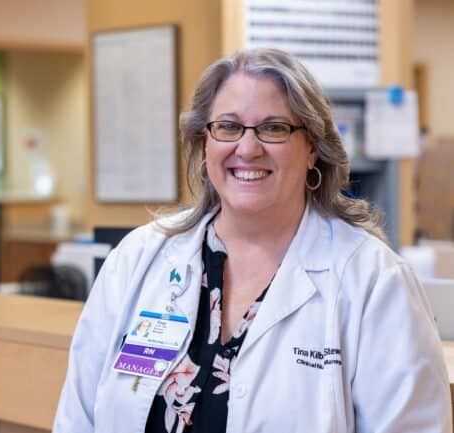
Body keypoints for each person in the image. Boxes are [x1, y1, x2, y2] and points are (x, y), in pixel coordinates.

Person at [53, 48, 452, 433]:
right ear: (204, 142)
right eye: (227, 126)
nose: (247, 148)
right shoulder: (138, 259)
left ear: (312, 147)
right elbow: (79, 417)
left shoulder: (375, 282)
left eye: (274, 128)